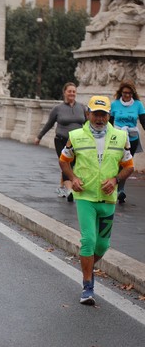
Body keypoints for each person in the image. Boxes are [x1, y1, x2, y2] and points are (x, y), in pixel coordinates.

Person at [60, 95, 134, 305]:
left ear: (109, 115)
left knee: (102, 246)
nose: (99, 118)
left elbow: (129, 167)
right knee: (88, 241)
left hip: (108, 200)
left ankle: (87, 268)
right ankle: (87, 287)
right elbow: (64, 160)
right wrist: (73, 179)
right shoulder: (75, 136)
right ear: (88, 114)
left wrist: (116, 179)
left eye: (103, 114)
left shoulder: (121, 137)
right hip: (85, 198)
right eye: (96, 114)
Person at [34, 82, 87, 202]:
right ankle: (69, 191)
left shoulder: (82, 107)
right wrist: (39, 136)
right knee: (66, 163)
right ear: (65, 93)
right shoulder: (58, 109)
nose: (72, 93)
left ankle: (66, 186)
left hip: (79, 142)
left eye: (74, 91)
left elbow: (88, 124)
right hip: (62, 140)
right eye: (69, 91)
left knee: (76, 165)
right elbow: (49, 124)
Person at [110, 80, 145, 204]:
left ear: (133, 93)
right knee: (117, 164)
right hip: (118, 138)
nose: (127, 95)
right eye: (125, 93)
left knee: (126, 165)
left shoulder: (138, 105)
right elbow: (109, 123)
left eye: (130, 93)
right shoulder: (114, 105)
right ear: (121, 93)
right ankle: (114, 187)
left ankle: (121, 190)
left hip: (132, 138)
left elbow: (143, 121)